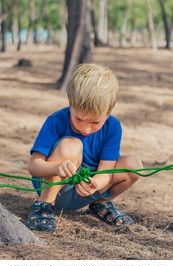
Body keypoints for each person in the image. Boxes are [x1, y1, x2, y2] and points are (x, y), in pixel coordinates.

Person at [27, 63, 143, 232]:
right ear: (70, 103)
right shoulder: (56, 121)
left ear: (109, 111)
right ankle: (44, 205)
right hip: (54, 185)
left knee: (133, 165)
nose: (85, 128)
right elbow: (33, 166)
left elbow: (107, 171)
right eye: (79, 119)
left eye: (95, 122)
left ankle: (99, 205)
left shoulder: (113, 127)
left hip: (86, 189)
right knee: (71, 145)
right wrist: (56, 167)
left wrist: (95, 184)